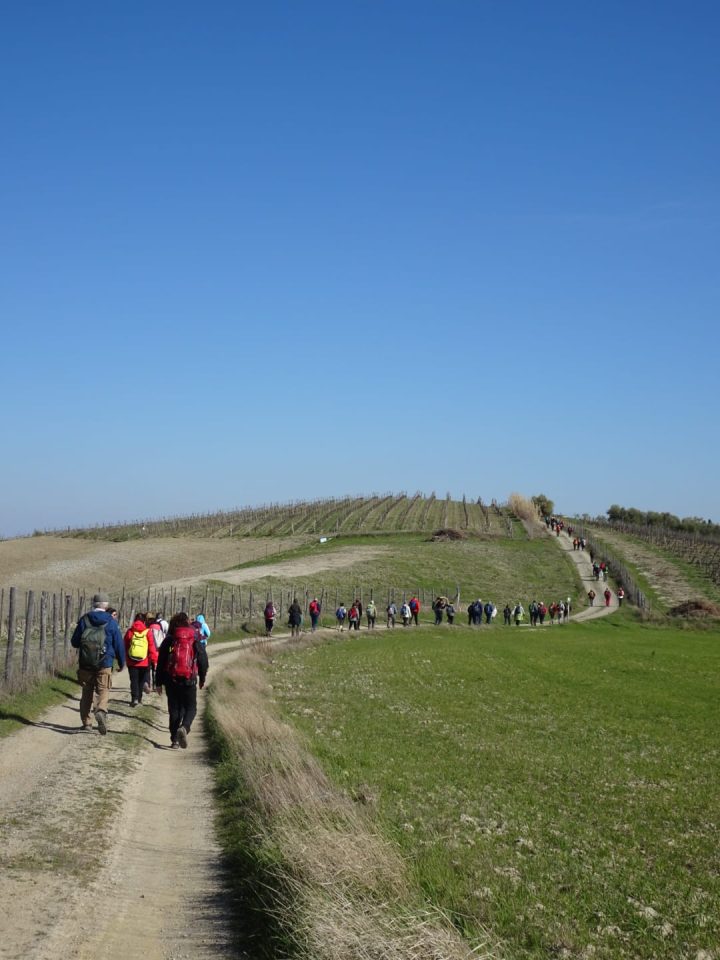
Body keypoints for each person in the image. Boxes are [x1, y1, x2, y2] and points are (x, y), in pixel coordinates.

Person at [70, 592, 125, 735]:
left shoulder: (84, 620)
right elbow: (118, 643)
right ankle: (100, 710)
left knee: (86, 692)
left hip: (85, 663)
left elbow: (74, 642)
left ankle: (87, 723)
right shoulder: (111, 622)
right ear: (106, 605)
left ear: (94, 604)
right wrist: (121, 661)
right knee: (103, 689)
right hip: (105, 662)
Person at [155, 612, 209, 749]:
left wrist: (158, 682)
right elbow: (203, 659)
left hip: (171, 679)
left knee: (174, 709)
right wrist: (202, 677)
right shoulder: (194, 638)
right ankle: (184, 728)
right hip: (189, 679)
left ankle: (174, 740)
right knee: (191, 708)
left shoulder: (169, 640)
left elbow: (160, 662)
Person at [124, 612, 159, 707]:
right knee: (141, 680)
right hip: (144, 661)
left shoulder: (130, 631)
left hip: (132, 661)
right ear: (144, 621)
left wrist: (126, 657)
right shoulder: (148, 632)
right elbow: (152, 647)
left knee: (133, 680)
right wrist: (154, 660)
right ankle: (139, 699)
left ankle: (134, 698)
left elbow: (126, 646)